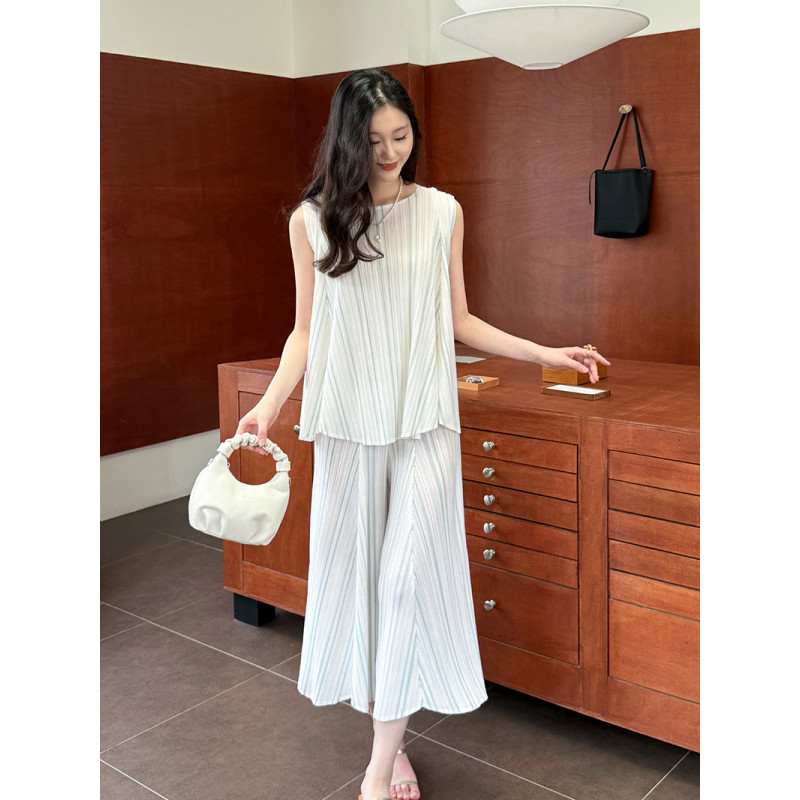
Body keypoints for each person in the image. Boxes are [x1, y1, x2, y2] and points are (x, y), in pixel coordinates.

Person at [236, 68, 610, 800]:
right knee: (365, 587)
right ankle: (394, 741)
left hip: (423, 425)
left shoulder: (441, 211)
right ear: (347, 142)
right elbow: (305, 331)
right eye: (373, 140)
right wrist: (270, 405)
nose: (390, 153)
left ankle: (377, 770)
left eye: (401, 136)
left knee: (408, 584)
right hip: (349, 426)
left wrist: (546, 353)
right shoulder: (312, 220)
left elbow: (459, 319)